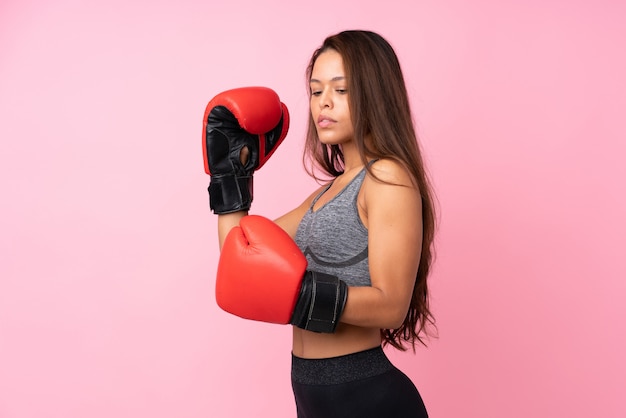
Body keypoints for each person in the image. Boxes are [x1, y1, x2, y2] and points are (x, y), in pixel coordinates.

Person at [203, 30, 436, 418]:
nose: (324, 102)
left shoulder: (388, 179)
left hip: (368, 397)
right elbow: (237, 257)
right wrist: (231, 176)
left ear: (375, 94)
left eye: (341, 90)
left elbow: (392, 305)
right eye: (315, 91)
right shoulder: (326, 194)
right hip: (313, 395)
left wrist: (298, 294)